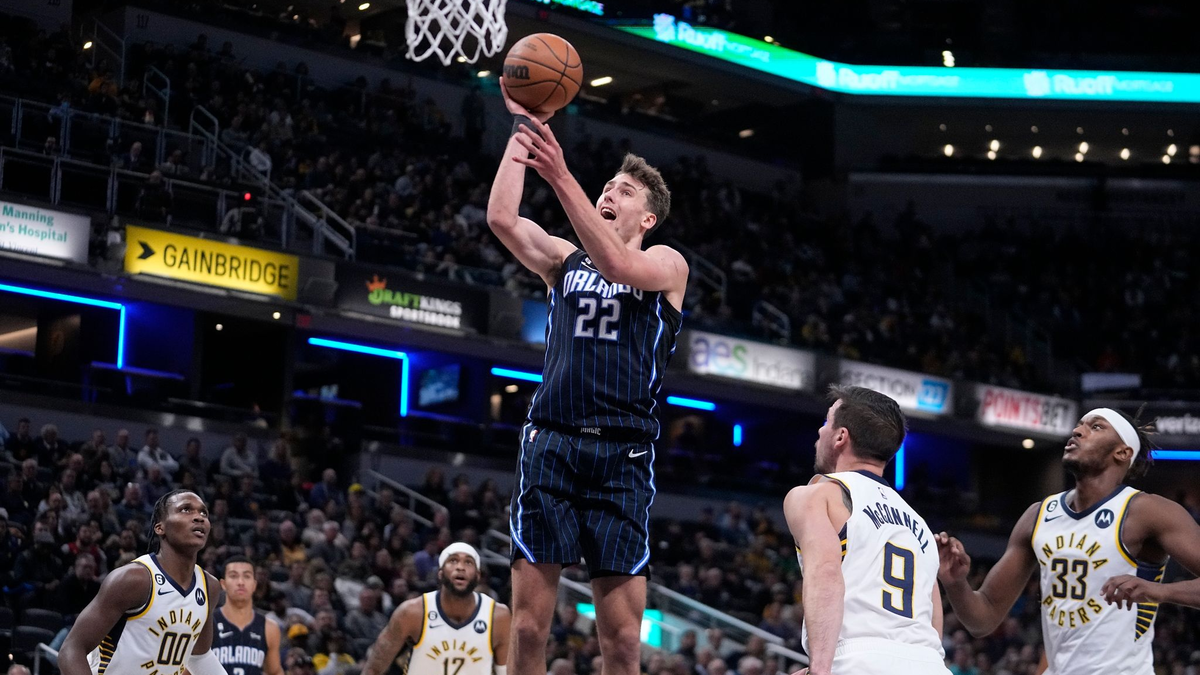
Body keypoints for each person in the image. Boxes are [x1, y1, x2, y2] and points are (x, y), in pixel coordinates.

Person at [486, 79, 687, 675]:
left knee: (623, 642)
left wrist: (561, 175)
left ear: (647, 215)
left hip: (623, 456)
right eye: (607, 186)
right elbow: (500, 217)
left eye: (623, 191)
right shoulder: (561, 259)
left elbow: (619, 262)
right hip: (552, 440)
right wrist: (524, 130)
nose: (609, 193)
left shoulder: (666, 264)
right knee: (526, 626)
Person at [937, 408, 1200, 675]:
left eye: (1096, 427)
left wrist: (1160, 592)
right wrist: (955, 583)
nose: (1077, 431)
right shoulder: (1038, 515)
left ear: (1122, 452)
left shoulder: (1147, 511)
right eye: (1079, 425)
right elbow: (983, 619)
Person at [783, 386, 949, 675]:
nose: (821, 432)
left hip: (858, 660)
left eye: (826, 422)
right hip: (930, 663)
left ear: (840, 437)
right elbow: (932, 615)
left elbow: (825, 573)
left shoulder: (818, 494)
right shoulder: (919, 522)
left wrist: (820, 670)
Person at [57, 489, 228, 675]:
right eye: (186, 510)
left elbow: (200, 657)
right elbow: (71, 650)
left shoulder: (209, 586)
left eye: (204, 512)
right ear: (159, 527)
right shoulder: (134, 579)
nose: (199, 517)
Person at [361, 543, 509, 675]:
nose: (460, 567)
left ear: (477, 576)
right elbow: (374, 668)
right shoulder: (412, 612)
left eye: (468, 562)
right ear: (440, 573)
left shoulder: (498, 616)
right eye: (453, 561)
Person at [203, 556, 283, 675]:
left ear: (254, 585)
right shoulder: (206, 623)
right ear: (223, 584)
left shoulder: (269, 628)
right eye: (234, 576)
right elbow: (188, 669)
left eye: (246, 576)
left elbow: (275, 671)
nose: (240, 582)